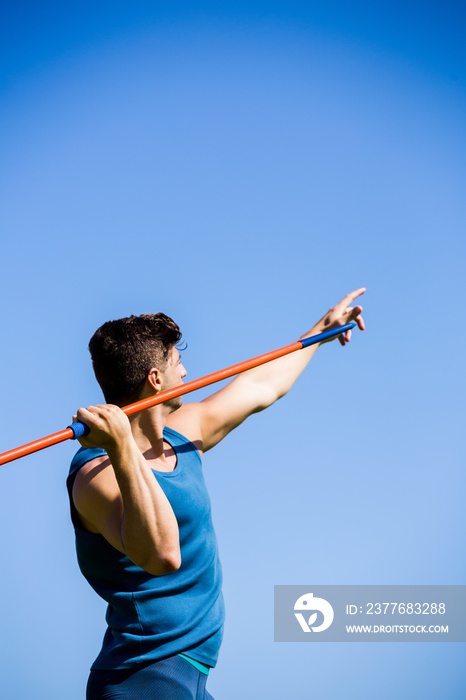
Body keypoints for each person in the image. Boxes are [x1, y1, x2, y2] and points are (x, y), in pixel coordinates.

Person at [67, 288, 366, 700]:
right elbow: (163, 554)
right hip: (143, 678)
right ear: (156, 379)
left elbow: (261, 387)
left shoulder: (183, 435)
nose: (186, 372)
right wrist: (120, 447)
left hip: (193, 675)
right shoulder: (96, 476)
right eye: (177, 362)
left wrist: (320, 331)